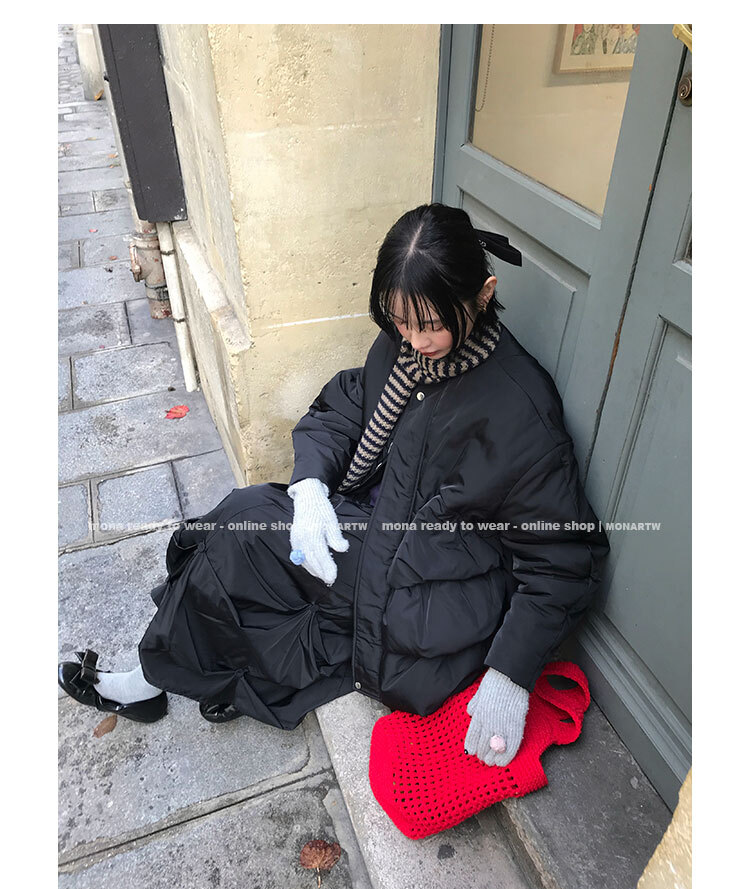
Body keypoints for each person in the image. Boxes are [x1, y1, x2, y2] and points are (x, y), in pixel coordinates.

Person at [59, 203, 609, 769]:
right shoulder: (403, 350)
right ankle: (193, 672)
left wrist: (510, 674)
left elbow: (564, 560)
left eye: (430, 324)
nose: (414, 339)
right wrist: (310, 489)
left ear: (484, 294)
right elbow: (346, 406)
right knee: (244, 523)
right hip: (379, 525)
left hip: (434, 584)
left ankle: (153, 679)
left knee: (244, 532)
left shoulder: (520, 410)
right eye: (400, 321)